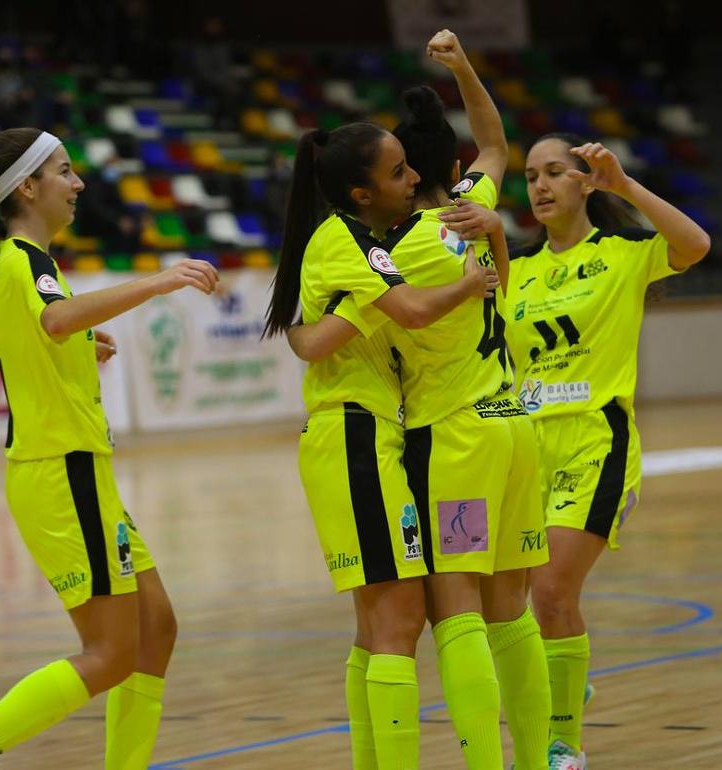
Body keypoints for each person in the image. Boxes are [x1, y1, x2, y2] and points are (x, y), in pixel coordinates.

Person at [289, 31, 552, 770]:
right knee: (512, 613)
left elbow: (329, 335)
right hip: (515, 427)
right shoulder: (474, 206)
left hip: (455, 438)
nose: (402, 182)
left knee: (454, 614)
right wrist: (464, 66)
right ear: (457, 168)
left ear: (410, 178)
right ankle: (540, 759)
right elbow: (497, 142)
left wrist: (302, 331)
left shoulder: (397, 249)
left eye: (404, 170)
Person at [0, 127, 219, 769]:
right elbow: (53, 321)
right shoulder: (23, 260)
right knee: (111, 653)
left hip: (78, 469)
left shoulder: (13, 264)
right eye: (65, 171)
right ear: (28, 187)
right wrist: (159, 281)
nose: (78, 183)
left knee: (157, 627)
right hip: (61, 471)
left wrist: (82, 346)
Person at [263, 112, 497, 767]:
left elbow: (313, 339)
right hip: (355, 440)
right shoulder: (349, 241)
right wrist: (473, 282)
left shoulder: (352, 241)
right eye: (398, 172)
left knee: (379, 628)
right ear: (361, 192)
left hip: (360, 439)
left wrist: (324, 327)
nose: (414, 177)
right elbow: (415, 310)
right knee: (398, 620)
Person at [509, 133, 710, 769]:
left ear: (585, 182)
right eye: (531, 176)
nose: (540, 186)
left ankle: (561, 745)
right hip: (520, 446)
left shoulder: (622, 253)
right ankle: (568, 683)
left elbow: (695, 245)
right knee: (514, 605)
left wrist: (625, 185)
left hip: (596, 441)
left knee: (551, 591)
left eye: (554, 173)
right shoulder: (513, 269)